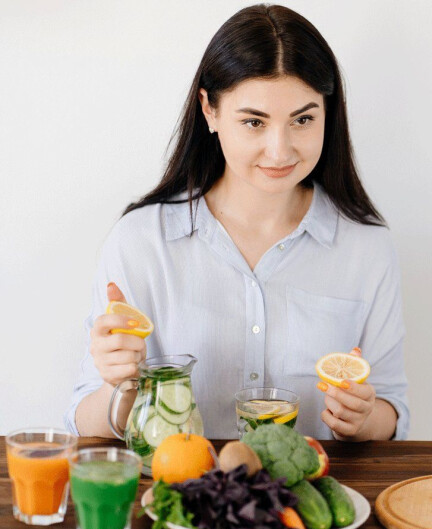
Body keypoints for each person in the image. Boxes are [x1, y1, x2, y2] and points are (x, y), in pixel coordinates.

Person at [64, 4, 409, 442]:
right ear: (209, 110)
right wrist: (119, 385)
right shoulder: (141, 243)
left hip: (312, 484)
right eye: (253, 122)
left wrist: (363, 418)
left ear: (329, 112)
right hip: (179, 482)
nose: (280, 150)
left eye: (303, 119)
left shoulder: (366, 247)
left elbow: (392, 412)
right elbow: (83, 423)